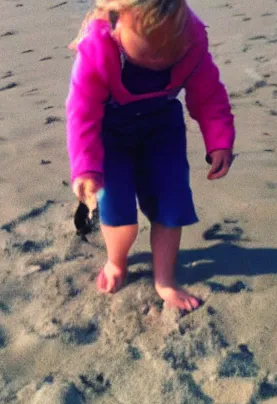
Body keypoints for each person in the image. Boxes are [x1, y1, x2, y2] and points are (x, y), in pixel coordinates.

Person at [66, 0, 235, 311]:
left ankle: (165, 280)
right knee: (118, 213)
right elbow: (82, 113)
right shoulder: (98, 49)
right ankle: (117, 262)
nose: (160, 58)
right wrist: (86, 168)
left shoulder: (191, 40)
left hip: (162, 131)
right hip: (110, 135)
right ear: (117, 25)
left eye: (170, 49)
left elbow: (209, 95)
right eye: (151, 50)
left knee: (170, 207)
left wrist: (219, 140)